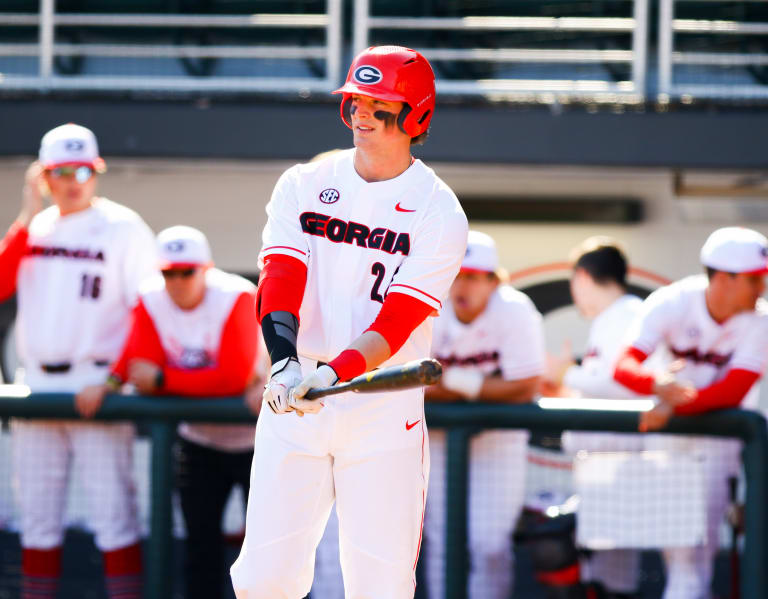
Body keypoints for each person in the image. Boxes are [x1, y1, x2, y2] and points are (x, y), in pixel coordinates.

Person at [229, 45, 468, 599]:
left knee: (379, 586)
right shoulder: (303, 182)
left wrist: (335, 373)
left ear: (416, 116)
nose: (361, 113)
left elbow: (399, 319)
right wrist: (285, 361)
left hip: (380, 401)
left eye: (380, 104)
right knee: (265, 579)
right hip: (296, 391)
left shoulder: (439, 210)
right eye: (356, 100)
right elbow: (281, 276)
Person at [3, 123, 157, 599]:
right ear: (44, 177)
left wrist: (113, 382)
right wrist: (27, 214)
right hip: (37, 385)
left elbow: (149, 311)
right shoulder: (34, 228)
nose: (75, 180)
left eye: (85, 170)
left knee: (114, 517)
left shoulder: (123, 225)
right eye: (62, 171)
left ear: (96, 172)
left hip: (97, 384)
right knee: (37, 522)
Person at [80, 225, 262, 599]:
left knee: (266, 551)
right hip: (198, 440)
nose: (177, 281)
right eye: (168, 272)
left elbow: (232, 377)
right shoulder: (149, 297)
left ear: (206, 268)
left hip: (257, 441)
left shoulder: (237, 295)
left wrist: (163, 378)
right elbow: (137, 362)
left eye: (187, 271)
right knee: (199, 548)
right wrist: (123, 381)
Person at [613, 226, 768, 599]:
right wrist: (655, 384)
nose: (761, 288)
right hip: (668, 440)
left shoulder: (761, 319)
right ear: (723, 277)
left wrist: (672, 404)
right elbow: (623, 365)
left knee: (698, 550)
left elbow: (733, 390)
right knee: (680, 550)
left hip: (719, 440)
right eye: (754, 279)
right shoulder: (674, 301)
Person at [424, 230, 545, 599]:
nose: (463, 285)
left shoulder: (514, 309)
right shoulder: (429, 305)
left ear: (494, 281)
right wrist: (488, 386)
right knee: (442, 540)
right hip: (442, 437)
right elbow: (414, 386)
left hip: (499, 438)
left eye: (474, 277)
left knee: (489, 543)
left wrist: (454, 379)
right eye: (457, 274)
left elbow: (525, 387)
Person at [545, 237, 647, 598]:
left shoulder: (628, 315)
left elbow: (628, 387)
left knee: (612, 576)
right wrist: (567, 388)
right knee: (595, 568)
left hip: (620, 463)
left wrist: (564, 375)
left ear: (583, 277)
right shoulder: (614, 317)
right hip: (604, 464)